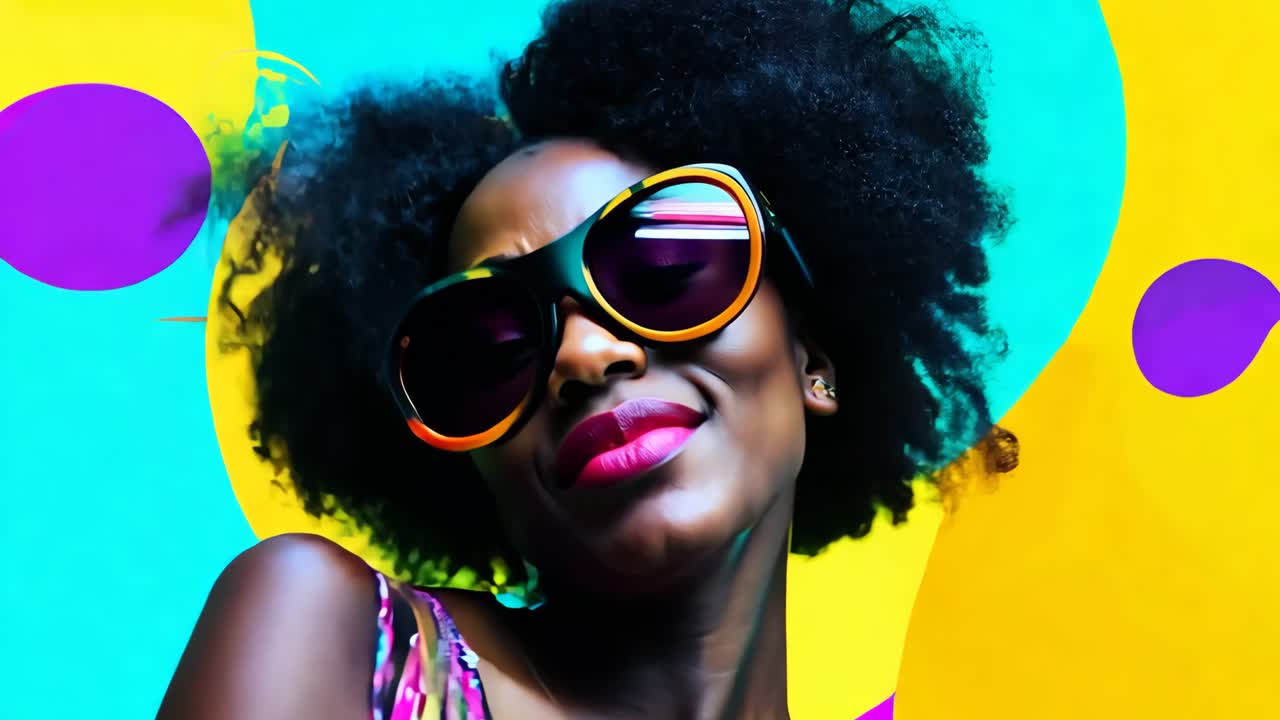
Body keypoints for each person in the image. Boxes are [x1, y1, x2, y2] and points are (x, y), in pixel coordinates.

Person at [159, 0, 1013, 717]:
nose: (584, 354)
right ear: (473, 465)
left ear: (814, 360)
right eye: (488, 350)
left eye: (666, 266)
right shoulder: (335, 641)